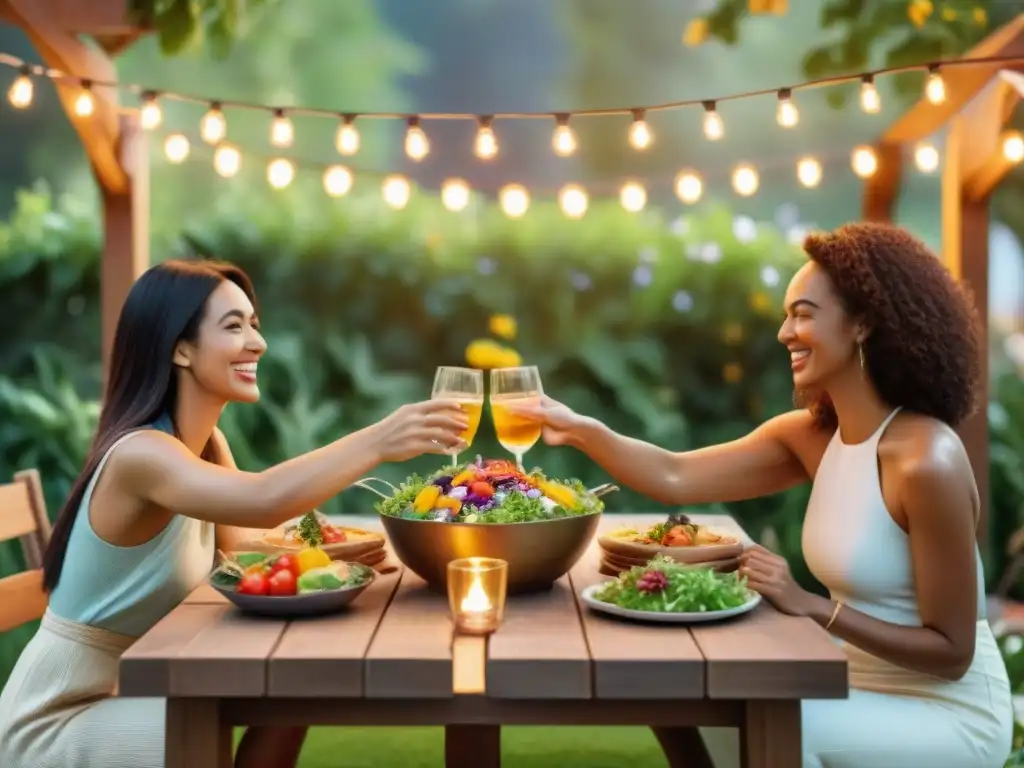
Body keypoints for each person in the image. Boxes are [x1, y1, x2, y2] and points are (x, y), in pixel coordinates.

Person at [517, 222, 1014, 767]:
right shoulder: (809, 436)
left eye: (803, 314)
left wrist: (812, 607)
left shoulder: (925, 461)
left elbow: (951, 653)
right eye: (786, 315)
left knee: (766, 715)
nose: (785, 333)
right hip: (850, 681)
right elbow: (675, 475)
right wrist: (581, 427)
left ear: (864, 324)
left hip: (946, 715)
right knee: (680, 695)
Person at [0, 259, 468, 768]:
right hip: (59, 718)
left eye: (254, 324)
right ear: (180, 348)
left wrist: (342, 557)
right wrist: (380, 440)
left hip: (131, 688)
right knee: (241, 707)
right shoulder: (142, 456)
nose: (258, 343)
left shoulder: (203, 445)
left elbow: (244, 548)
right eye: (233, 326)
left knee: (293, 684)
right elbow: (264, 500)